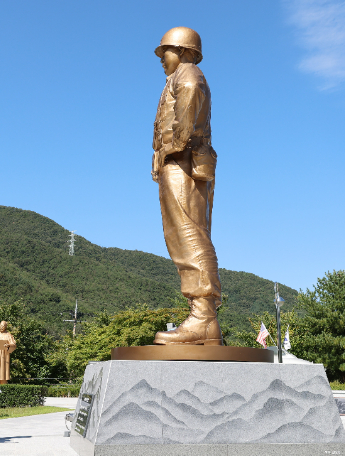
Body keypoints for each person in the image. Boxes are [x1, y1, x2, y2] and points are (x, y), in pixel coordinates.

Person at [150, 27, 223, 345]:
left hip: (185, 162)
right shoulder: (175, 78)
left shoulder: (188, 74)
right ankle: (200, 314)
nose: (161, 59)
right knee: (178, 235)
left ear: (180, 50)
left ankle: (204, 315)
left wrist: (172, 146)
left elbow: (191, 95)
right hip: (177, 163)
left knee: (189, 234)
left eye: (164, 52)